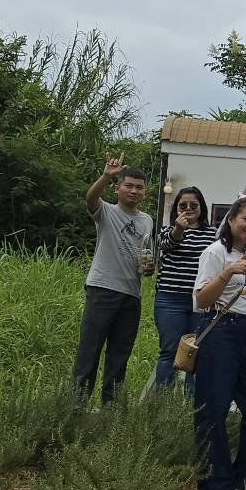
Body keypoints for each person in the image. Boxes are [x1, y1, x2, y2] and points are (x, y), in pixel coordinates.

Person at [190, 196, 246, 490]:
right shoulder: (216, 252)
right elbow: (201, 301)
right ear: (231, 219)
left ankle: (244, 477)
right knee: (214, 406)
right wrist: (227, 272)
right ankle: (215, 483)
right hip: (220, 329)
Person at [73, 155, 154, 405]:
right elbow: (91, 198)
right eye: (128, 185)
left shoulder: (146, 220)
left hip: (132, 294)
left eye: (139, 187)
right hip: (103, 288)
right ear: (117, 188)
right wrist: (106, 175)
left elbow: (144, 255)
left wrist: (147, 268)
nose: (133, 191)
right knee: (90, 350)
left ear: (145, 192)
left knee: (120, 355)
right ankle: (76, 408)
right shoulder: (106, 211)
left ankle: (112, 409)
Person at [153, 185, 214, 392]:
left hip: (201, 300)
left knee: (197, 351)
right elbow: (166, 245)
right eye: (183, 205)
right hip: (170, 298)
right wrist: (179, 228)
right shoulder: (167, 230)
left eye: (193, 205)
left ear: (201, 207)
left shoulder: (213, 234)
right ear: (176, 209)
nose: (188, 208)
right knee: (169, 351)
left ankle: (190, 405)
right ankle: (162, 406)